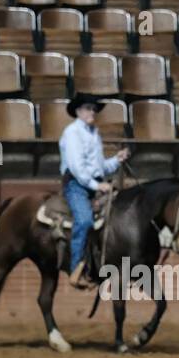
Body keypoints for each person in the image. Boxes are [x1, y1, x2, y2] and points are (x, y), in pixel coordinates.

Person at [59, 94, 130, 289]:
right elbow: (77, 168)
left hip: (93, 183)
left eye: (94, 109)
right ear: (78, 111)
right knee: (84, 221)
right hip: (76, 185)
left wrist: (116, 160)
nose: (93, 112)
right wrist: (97, 186)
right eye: (89, 108)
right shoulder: (72, 132)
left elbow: (100, 167)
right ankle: (76, 270)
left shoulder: (93, 133)